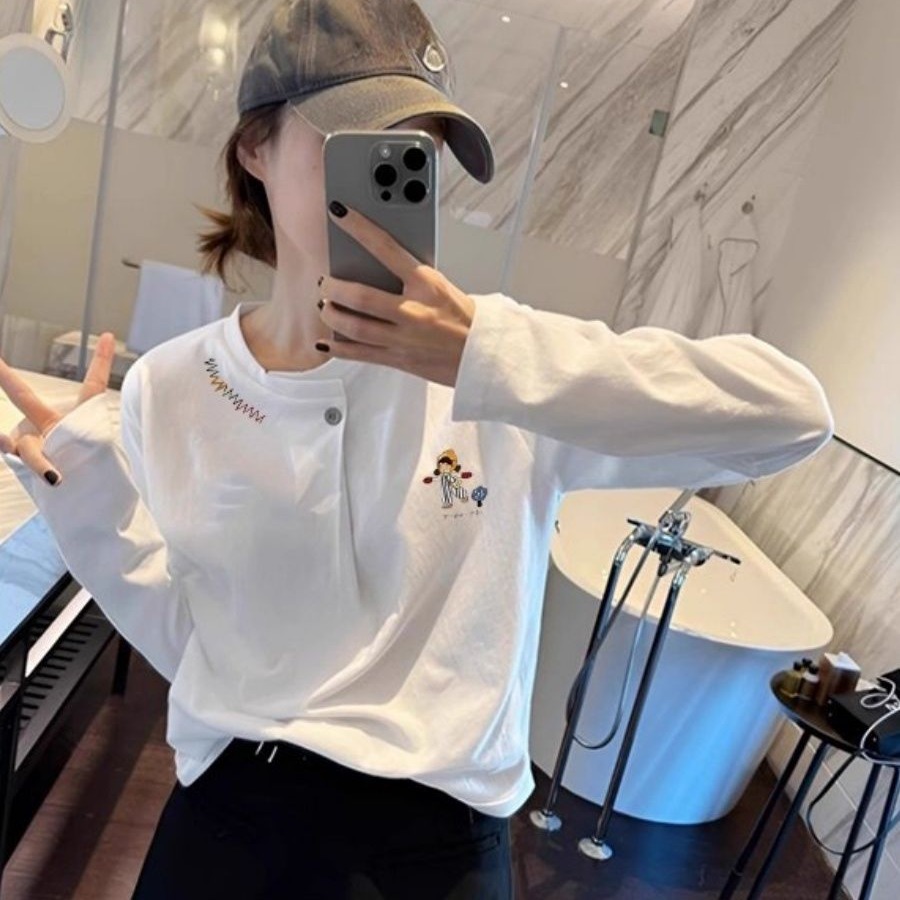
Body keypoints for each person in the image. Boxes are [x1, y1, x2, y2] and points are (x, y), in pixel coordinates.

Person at [0, 1, 834, 897]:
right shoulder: (173, 387)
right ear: (254, 149)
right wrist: (91, 503)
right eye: (354, 140)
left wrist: (486, 355)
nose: (389, 170)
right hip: (236, 810)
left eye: (418, 150)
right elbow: (191, 636)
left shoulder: (507, 375)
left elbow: (787, 416)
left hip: (442, 841)